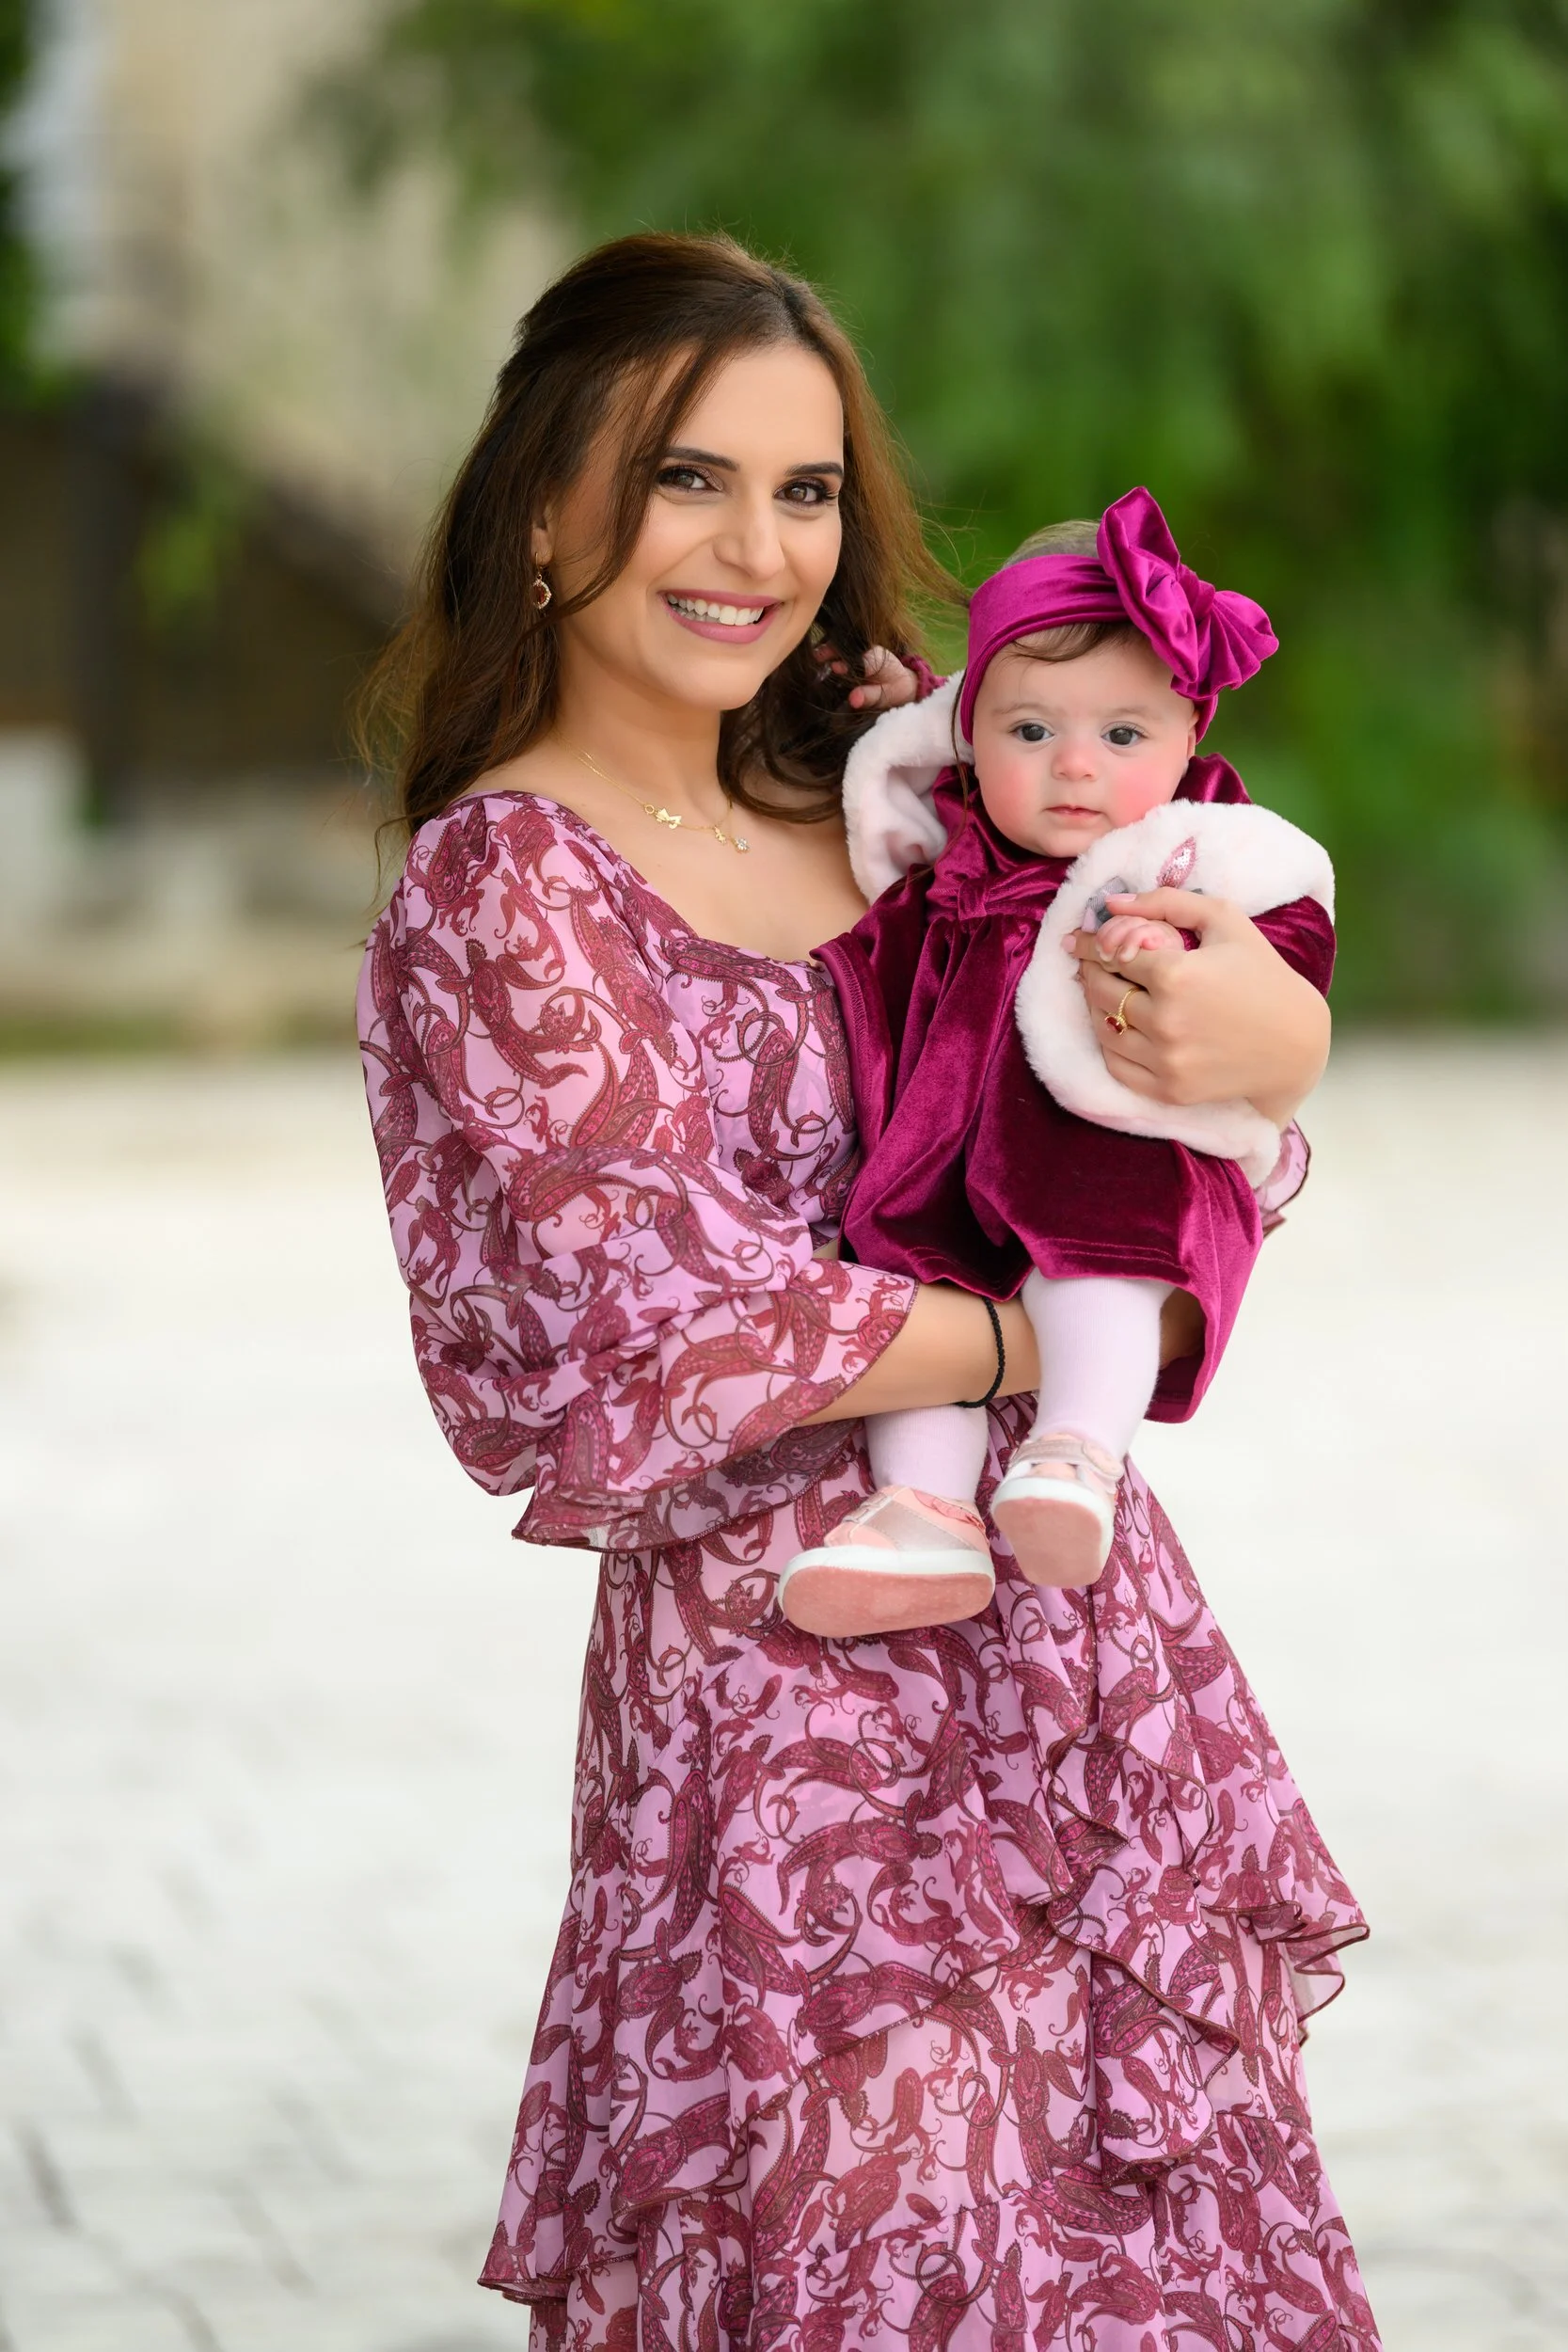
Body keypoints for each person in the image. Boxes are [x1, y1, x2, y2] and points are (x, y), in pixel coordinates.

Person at [357, 231, 1379, 2350]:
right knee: (867, 2265)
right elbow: (667, 1322)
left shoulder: (898, 790)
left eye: (804, 490)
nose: (757, 551)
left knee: (1137, 2266)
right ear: (541, 508)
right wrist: (1034, 1337)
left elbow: (1143, 1127)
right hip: (786, 1696)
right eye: (686, 479)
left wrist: (1273, 1055)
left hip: (1073, 1637)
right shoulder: (502, 881)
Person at [777, 492, 1335, 1634]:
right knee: (907, 1281)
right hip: (942, 1156)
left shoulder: (1194, 851)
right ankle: (922, 1513)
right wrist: (899, 699)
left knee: (1097, 1270)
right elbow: (913, 757)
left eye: (1122, 737)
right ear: (970, 733)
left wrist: (1178, 959)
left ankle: (1078, 1448)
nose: (1073, 766)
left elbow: (1283, 950)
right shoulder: (956, 845)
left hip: (1109, 1159)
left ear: (1187, 739)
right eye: (1029, 732)